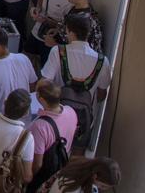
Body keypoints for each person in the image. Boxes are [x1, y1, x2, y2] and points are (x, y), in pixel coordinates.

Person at [40, 14, 110, 146]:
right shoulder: (103, 61)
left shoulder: (58, 52)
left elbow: (45, 83)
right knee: (77, 157)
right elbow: (101, 95)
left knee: (55, 153)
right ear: (88, 32)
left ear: (69, 32)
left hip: (58, 117)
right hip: (85, 119)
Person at [29, 0, 76, 66]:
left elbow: (67, 26)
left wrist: (49, 22)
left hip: (53, 35)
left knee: (45, 65)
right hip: (38, 28)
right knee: (28, 55)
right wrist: (37, 9)